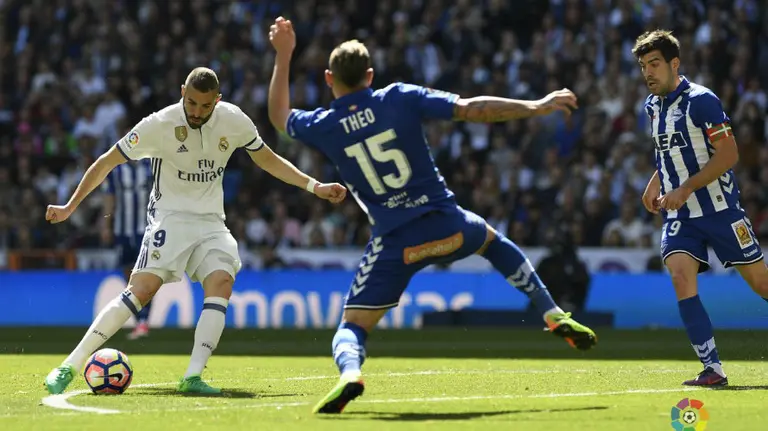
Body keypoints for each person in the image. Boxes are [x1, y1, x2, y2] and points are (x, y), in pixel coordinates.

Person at [267, 17, 597, 414]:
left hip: (395, 243)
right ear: (370, 75)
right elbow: (473, 109)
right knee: (493, 242)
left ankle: (351, 373)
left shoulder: (324, 124)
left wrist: (283, 55)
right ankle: (553, 313)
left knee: (351, 326)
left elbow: (279, 117)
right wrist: (536, 105)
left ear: (328, 78)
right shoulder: (400, 97)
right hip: (449, 226)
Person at [44, 67, 346, 395]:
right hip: (170, 218)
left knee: (222, 281)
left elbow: (268, 160)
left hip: (211, 222)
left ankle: (192, 376)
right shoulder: (158, 125)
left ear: (217, 101)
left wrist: (314, 187)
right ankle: (69, 365)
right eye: (191, 103)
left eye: (205, 106)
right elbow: (106, 161)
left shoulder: (234, 120)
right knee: (143, 290)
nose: (197, 112)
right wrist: (69, 207)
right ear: (182, 92)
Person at [634, 30, 768, 387]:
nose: (648, 72)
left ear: (674, 64)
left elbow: (729, 154)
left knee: (762, 283)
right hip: (681, 216)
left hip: (721, 210)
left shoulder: (701, 100)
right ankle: (713, 369)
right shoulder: (652, 106)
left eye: (655, 64)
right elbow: (669, 153)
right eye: (644, 66)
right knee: (680, 276)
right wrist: (656, 183)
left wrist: (686, 187)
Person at [102, 158, 155, 340]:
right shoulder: (117, 170)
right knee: (129, 275)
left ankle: (144, 319)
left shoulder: (150, 167)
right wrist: (106, 225)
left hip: (146, 230)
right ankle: (139, 318)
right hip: (122, 230)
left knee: (145, 274)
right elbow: (110, 198)